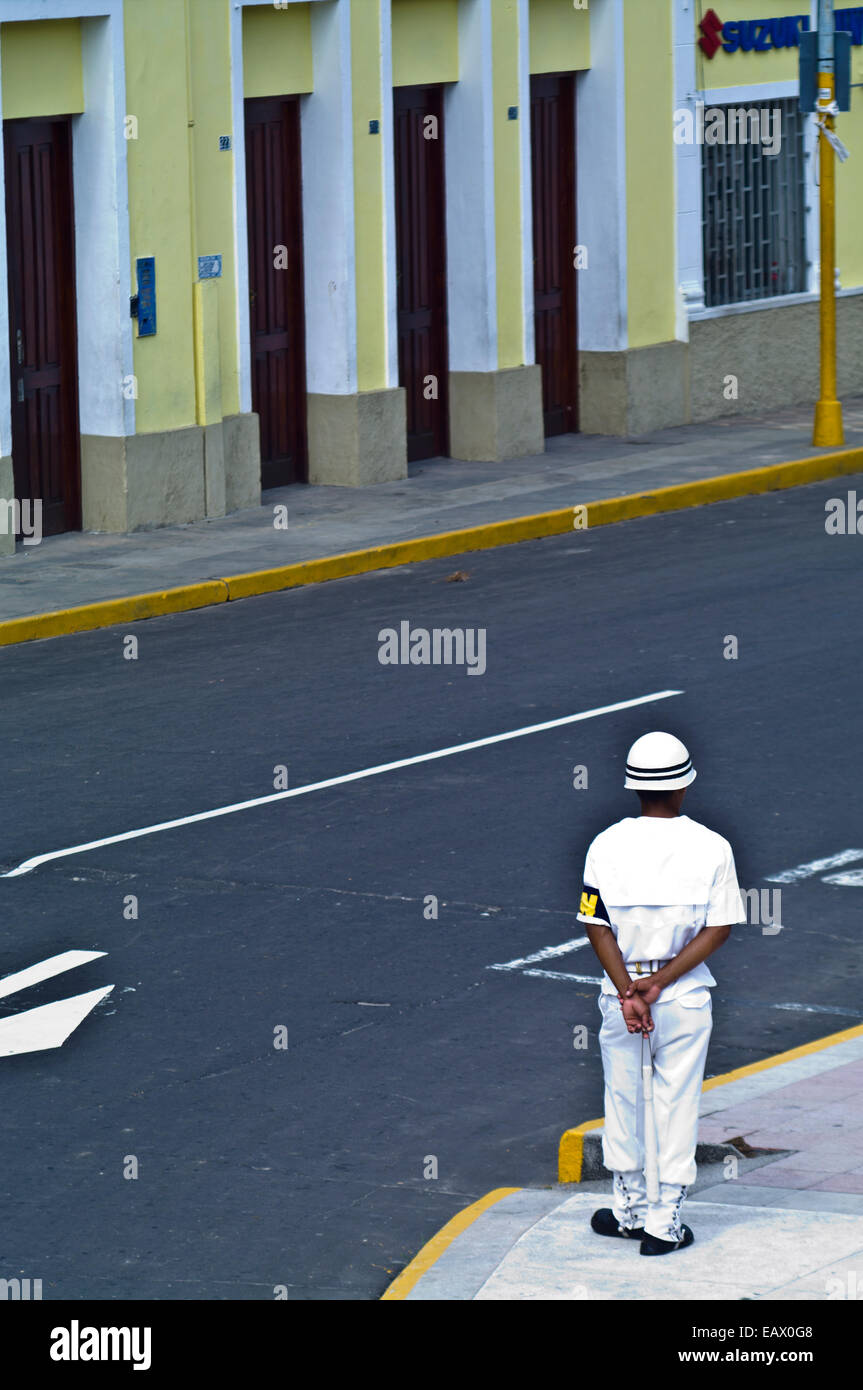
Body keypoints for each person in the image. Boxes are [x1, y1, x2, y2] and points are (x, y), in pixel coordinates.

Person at [576, 731, 745, 1255]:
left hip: (619, 994)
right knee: (676, 1103)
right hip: (683, 997)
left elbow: (594, 923)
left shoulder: (604, 844)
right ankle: (663, 1221)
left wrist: (629, 989)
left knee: (622, 1098)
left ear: (633, 787)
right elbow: (718, 929)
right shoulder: (713, 847)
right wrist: (659, 983)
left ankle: (626, 1208)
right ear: (685, 786)